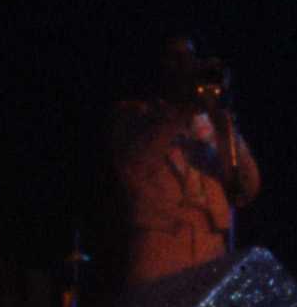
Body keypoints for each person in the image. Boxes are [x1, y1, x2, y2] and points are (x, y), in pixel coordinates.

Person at [108, 38, 261, 288]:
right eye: (176, 59)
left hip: (211, 255)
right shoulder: (134, 115)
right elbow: (137, 162)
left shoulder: (211, 121)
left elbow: (248, 188)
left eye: (190, 59)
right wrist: (183, 108)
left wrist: (223, 125)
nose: (186, 67)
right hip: (159, 259)